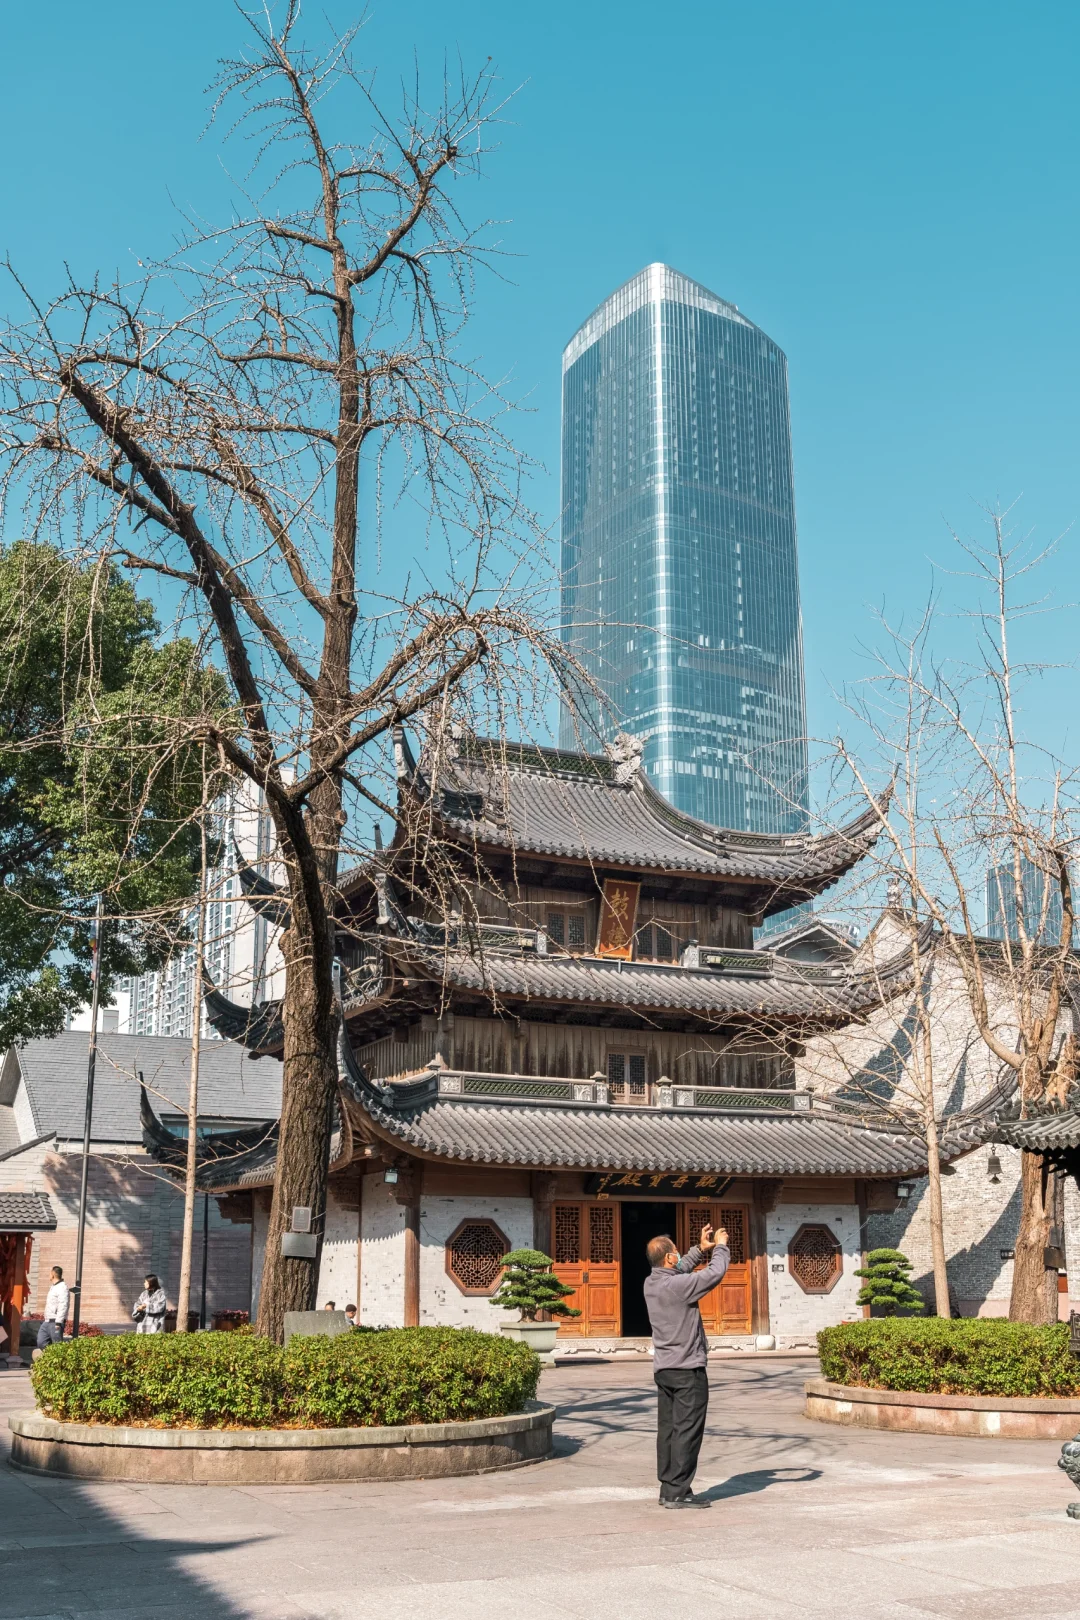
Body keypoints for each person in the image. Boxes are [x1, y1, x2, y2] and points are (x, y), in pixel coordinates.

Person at [643, 1222, 730, 1509]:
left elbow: (678, 1270)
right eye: (677, 1253)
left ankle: (669, 1487)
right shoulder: (679, 1286)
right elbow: (714, 1274)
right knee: (687, 1431)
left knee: (669, 1429)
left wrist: (698, 1250)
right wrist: (720, 1247)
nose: (679, 1256)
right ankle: (678, 1492)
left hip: (665, 1369)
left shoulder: (651, 1283)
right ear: (669, 1258)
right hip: (687, 1370)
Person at [36, 1265, 70, 1349]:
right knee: (41, 1342)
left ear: (53, 1274)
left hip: (55, 1321)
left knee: (57, 1345)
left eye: (49, 1273)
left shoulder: (62, 1287)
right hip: (47, 1320)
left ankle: (58, 1357)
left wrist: (58, 1322)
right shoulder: (53, 1287)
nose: (49, 1275)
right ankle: (49, 1355)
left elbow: (63, 1305)